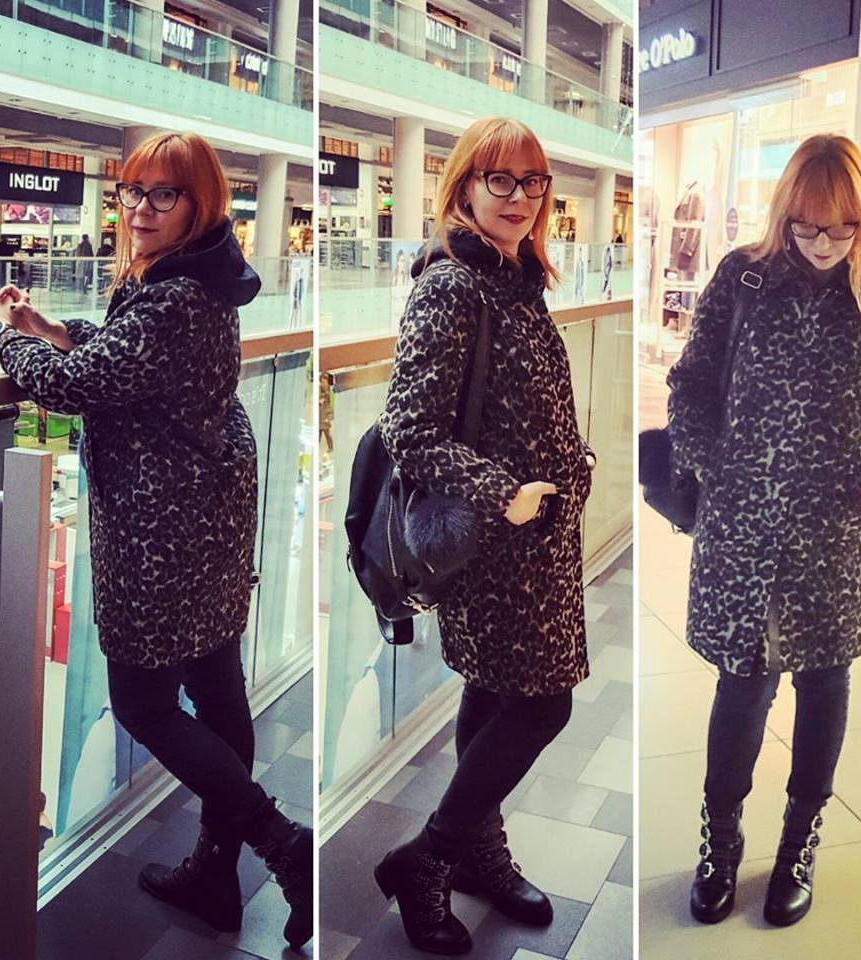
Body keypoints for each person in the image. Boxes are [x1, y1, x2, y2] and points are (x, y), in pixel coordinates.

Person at [0, 131, 312, 950]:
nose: (140, 208)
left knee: (143, 704)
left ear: (198, 204)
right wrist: (53, 325)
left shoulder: (174, 297)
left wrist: (9, 340)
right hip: (207, 517)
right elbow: (123, 357)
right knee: (216, 686)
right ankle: (216, 870)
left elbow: (76, 385)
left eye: (162, 194)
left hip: (163, 531)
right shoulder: (194, 279)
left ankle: (283, 844)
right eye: (132, 191)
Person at [666, 135, 861, 929]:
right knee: (741, 686)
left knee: (824, 684)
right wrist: (717, 470)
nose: (822, 243)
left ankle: (798, 845)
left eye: (840, 228)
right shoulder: (743, 277)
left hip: (835, 539)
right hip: (743, 528)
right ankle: (721, 842)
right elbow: (690, 385)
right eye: (807, 226)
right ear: (785, 214)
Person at [375, 116, 596, 955]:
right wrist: (508, 495)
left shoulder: (516, 278)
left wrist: (570, 464)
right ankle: (428, 857)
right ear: (464, 185)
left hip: (539, 543)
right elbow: (410, 430)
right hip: (498, 547)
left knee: (496, 693)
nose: (518, 197)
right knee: (542, 705)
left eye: (532, 182)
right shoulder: (452, 285)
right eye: (499, 179)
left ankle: (477, 853)